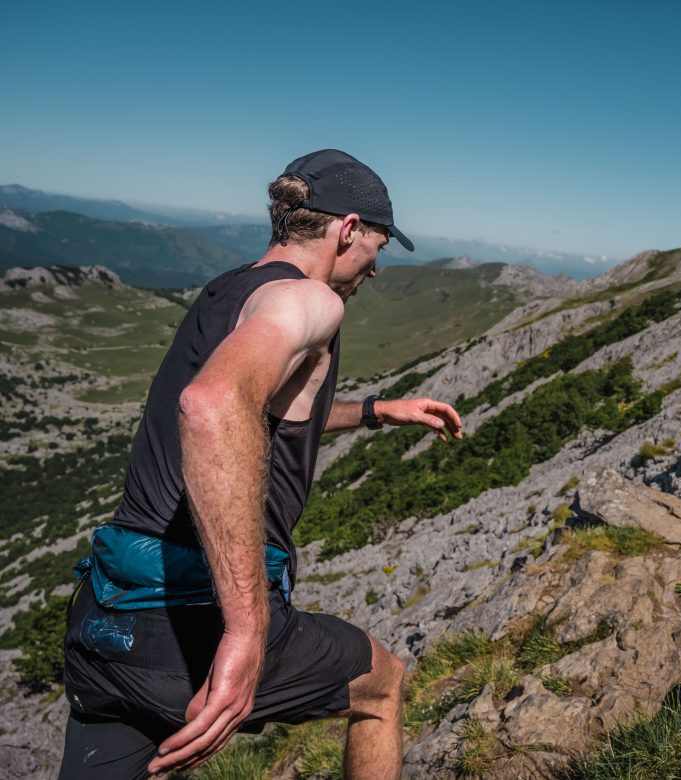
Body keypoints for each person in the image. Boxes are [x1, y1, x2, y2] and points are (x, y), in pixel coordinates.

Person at [58, 149, 461, 779]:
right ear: (347, 229)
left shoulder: (228, 289)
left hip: (104, 620)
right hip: (190, 626)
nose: (376, 269)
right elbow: (215, 404)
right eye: (376, 247)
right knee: (382, 687)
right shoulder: (313, 300)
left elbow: (261, 410)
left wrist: (379, 410)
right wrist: (245, 633)